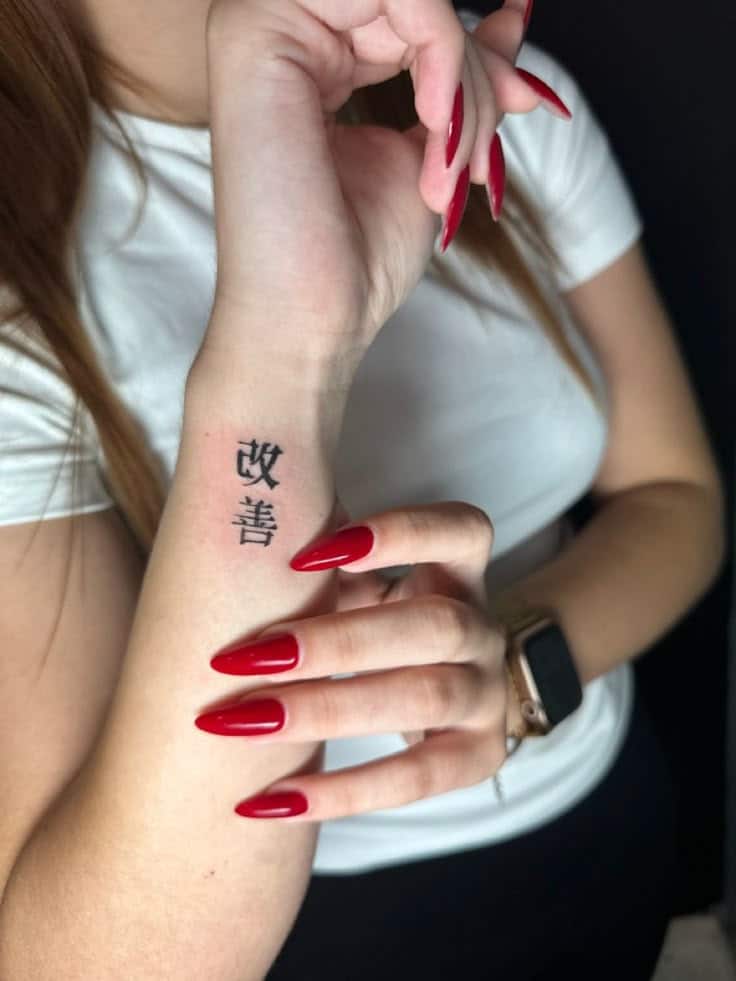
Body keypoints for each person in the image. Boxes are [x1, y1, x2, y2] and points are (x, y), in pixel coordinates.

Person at [0, 0, 725, 978]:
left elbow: (677, 496)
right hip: (316, 928)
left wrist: (505, 678)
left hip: (603, 816)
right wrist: (284, 355)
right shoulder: (23, 269)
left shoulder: (491, 94)